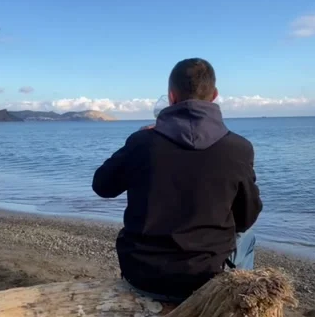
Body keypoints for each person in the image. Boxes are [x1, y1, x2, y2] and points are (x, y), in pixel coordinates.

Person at [92, 58, 262, 302]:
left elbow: (102, 186)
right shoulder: (239, 148)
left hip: (142, 275)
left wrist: (133, 144)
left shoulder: (142, 143)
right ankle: (236, 303)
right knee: (247, 237)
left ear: (171, 97)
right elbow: (246, 218)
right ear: (214, 95)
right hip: (206, 279)